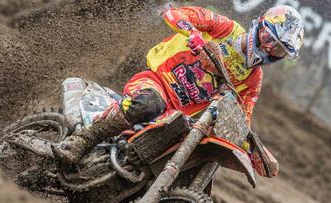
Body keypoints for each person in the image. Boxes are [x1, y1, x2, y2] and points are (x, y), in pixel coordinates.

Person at [53, 5, 304, 177]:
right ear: (259, 25)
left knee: (187, 152)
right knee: (149, 103)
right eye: (269, 39)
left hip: (177, 116)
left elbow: (242, 120)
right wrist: (194, 34)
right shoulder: (225, 29)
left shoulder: (252, 80)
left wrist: (256, 152)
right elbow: (174, 14)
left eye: (279, 50)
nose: (270, 49)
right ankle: (81, 141)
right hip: (156, 82)